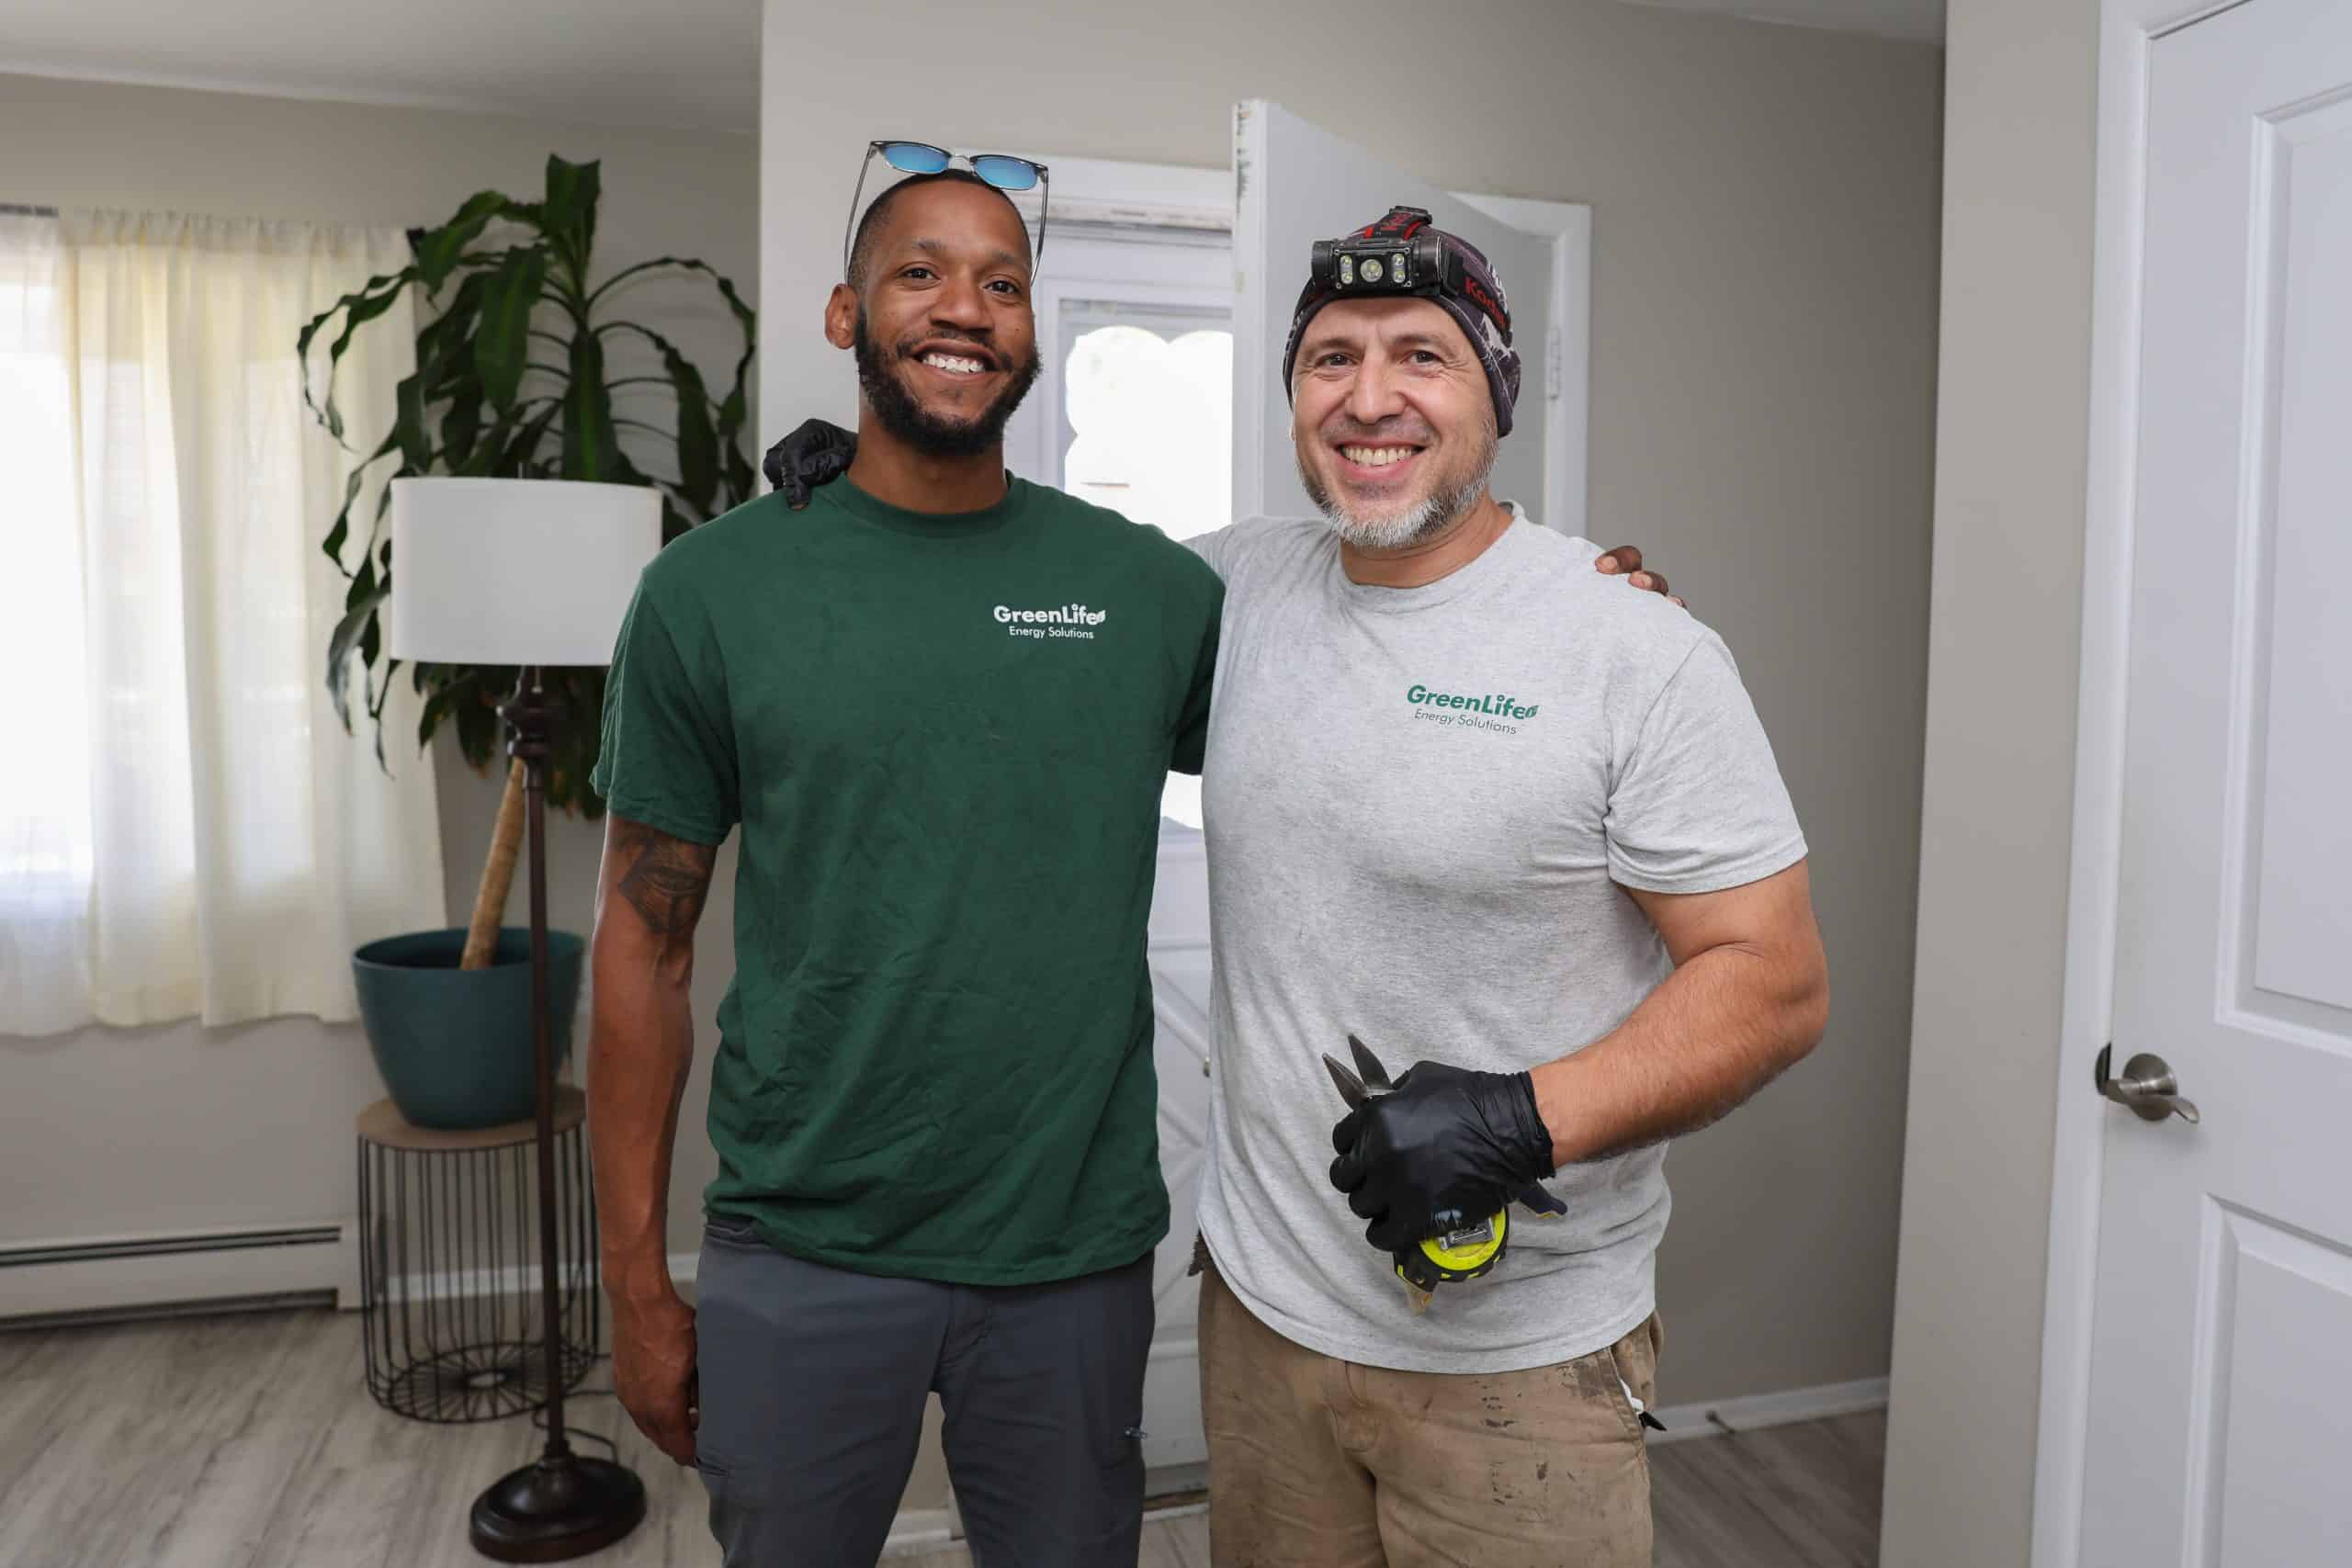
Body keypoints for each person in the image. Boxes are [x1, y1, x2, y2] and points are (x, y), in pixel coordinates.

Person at [596, 159, 1670, 1567]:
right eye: (920, 273)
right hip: (802, 1252)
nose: (964, 308)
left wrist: (1569, 615)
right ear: (847, 312)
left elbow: (1380, 661)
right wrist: (634, 1282)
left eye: (1002, 283)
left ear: (1032, 332)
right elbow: (644, 945)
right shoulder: (711, 592)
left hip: (1068, 1263)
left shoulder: (1143, 589)